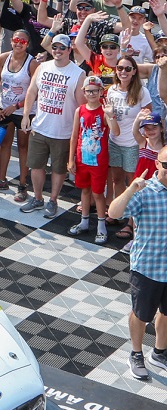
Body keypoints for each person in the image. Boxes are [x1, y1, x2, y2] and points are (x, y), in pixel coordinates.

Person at [108, 147, 167, 381]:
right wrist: (131, 188)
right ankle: (136, 353)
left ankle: (159, 352)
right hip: (148, 267)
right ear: (157, 164)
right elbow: (114, 212)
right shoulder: (145, 191)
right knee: (141, 314)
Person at [20, 33, 85, 218]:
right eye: (55, 47)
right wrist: (26, 115)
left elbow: (81, 106)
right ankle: (37, 198)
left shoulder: (78, 73)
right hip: (40, 126)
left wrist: (78, 131)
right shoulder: (43, 67)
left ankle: (53, 200)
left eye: (62, 48)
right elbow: (32, 91)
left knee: (59, 169)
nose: (57, 51)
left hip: (63, 131)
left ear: (69, 50)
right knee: (35, 165)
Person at [0, 28, 36, 199]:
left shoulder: (32, 64)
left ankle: (22, 185)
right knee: (4, 144)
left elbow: (36, 92)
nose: (18, 44)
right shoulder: (3, 58)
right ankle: (1, 179)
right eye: (16, 40)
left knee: (23, 146)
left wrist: (17, 106)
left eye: (22, 41)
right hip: (4, 108)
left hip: (24, 112)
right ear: (11, 41)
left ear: (27, 44)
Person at [67, 75, 118, 245]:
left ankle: (101, 226)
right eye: (88, 91)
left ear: (101, 91)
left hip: (99, 161)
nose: (92, 94)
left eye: (95, 91)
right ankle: (84, 221)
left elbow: (115, 132)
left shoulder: (104, 112)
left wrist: (110, 116)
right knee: (85, 191)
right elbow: (74, 136)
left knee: (98, 193)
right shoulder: (79, 110)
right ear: (84, 92)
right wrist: (71, 159)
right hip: (82, 160)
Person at [105, 55, 152, 211]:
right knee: (117, 179)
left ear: (134, 71)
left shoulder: (142, 92)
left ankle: (132, 217)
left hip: (132, 143)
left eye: (127, 69)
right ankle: (120, 212)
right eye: (120, 68)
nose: (123, 72)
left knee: (133, 181)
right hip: (114, 142)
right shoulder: (112, 90)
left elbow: (148, 117)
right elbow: (108, 117)